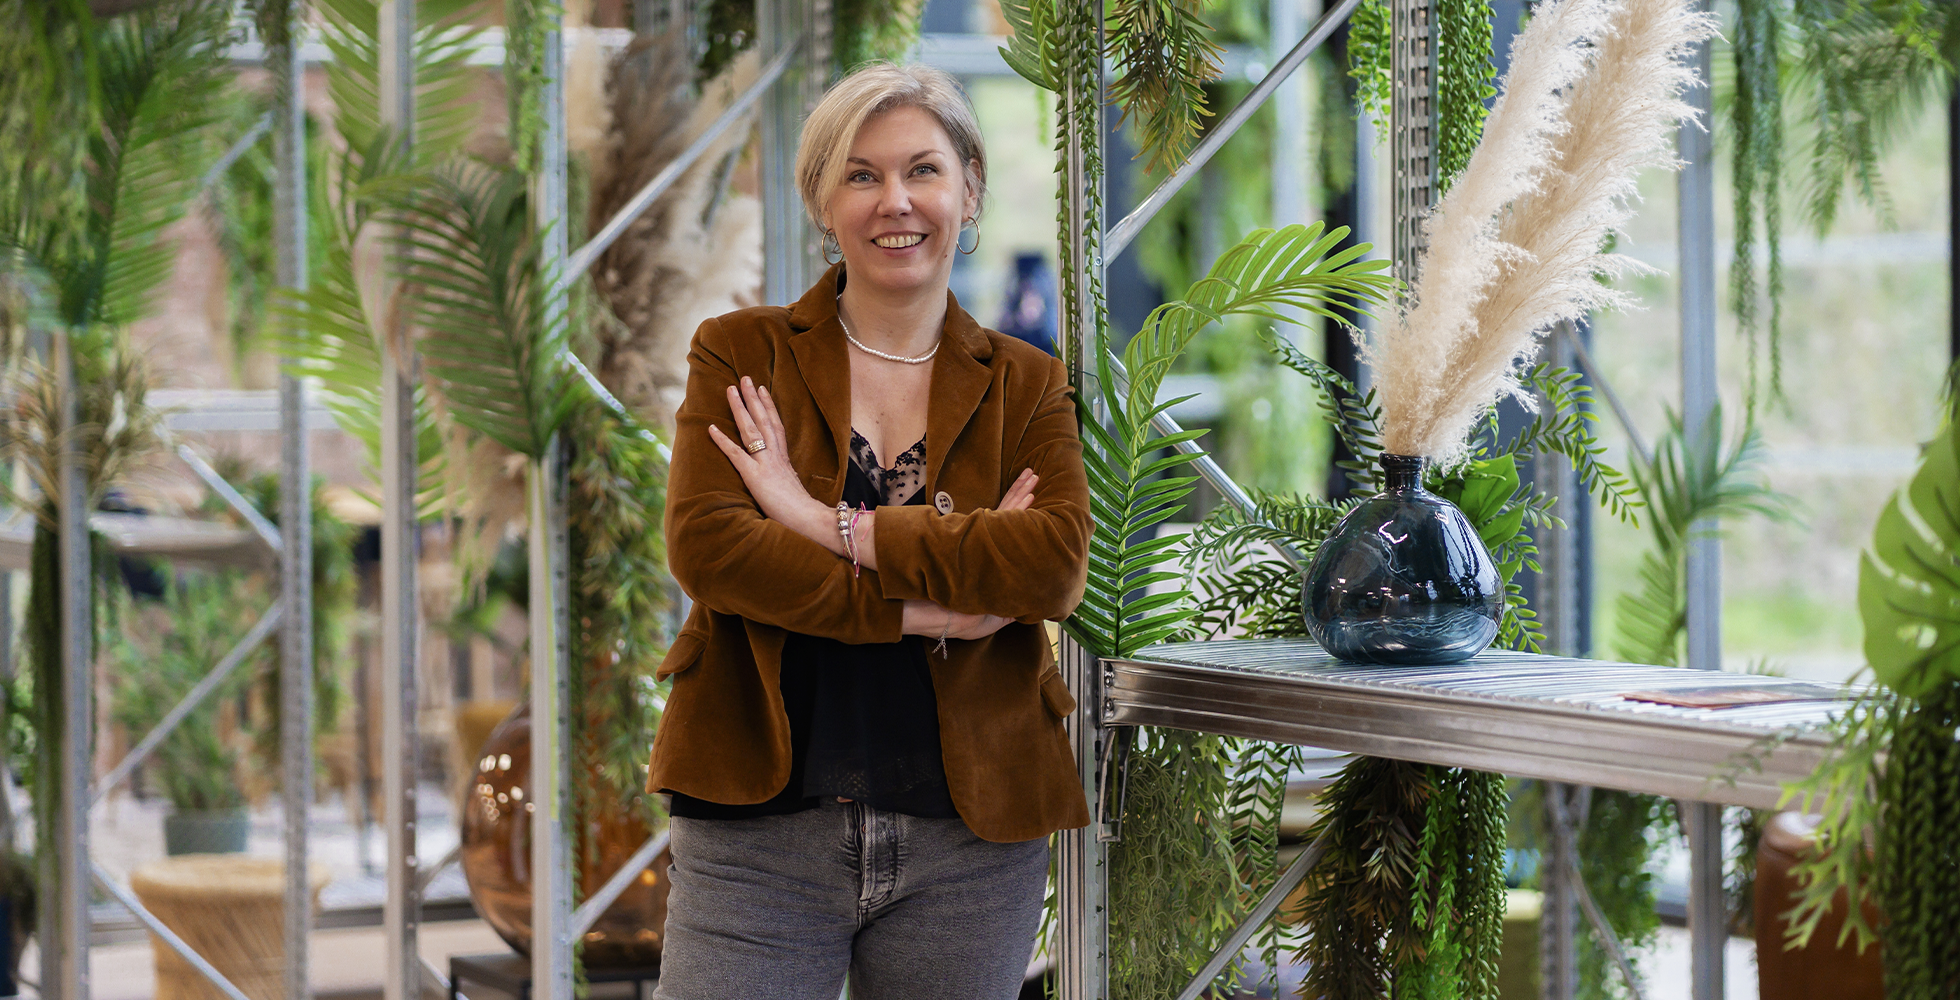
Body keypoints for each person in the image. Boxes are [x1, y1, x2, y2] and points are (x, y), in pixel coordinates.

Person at [646, 62, 1093, 1000]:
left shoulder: (1027, 381)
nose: (896, 201)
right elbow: (714, 550)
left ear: (969, 190)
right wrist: (932, 613)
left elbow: (1048, 569)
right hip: (759, 826)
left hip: (968, 839)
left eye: (923, 170)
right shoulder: (742, 351)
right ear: (821, 198)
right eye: (861, 174)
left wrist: (818, 521)